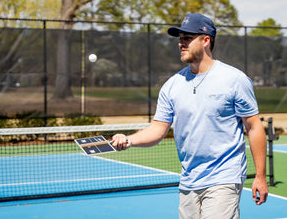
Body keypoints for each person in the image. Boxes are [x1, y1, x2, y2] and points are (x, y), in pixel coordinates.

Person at [112, 13, 268, 218]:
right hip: (188, 180)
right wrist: (129, 140)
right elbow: (157, 130)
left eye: (187, 38)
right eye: (180, 39)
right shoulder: (172, 85)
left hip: (224, 177)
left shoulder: (235, 79)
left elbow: (254, 127)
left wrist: (260, 176)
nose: (181, 43)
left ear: (205, 40)